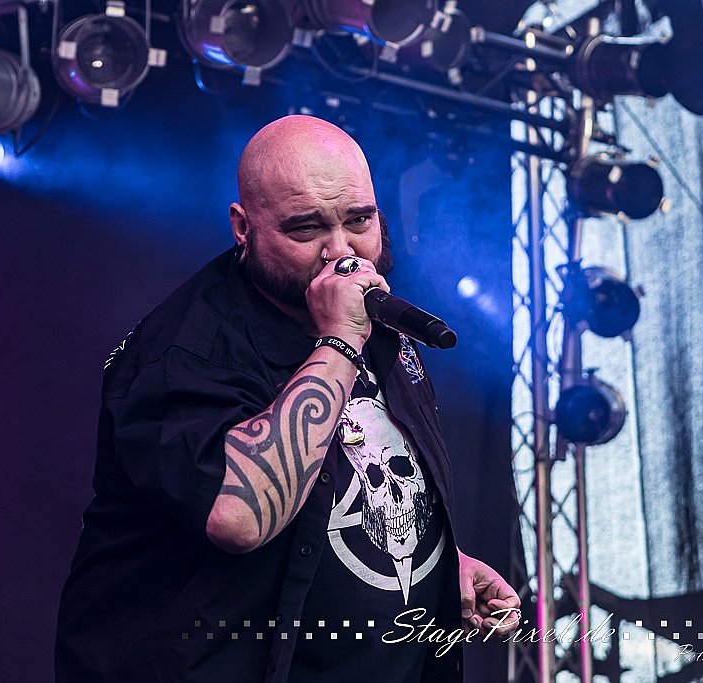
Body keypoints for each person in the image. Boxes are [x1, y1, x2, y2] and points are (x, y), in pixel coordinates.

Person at [55, 115, 521, 682]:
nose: (342, 252)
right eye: (306, 229)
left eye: (360, 220)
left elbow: (351, 482)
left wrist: (440, 564)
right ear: (243, 227)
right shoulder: (184, 354)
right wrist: (339, 341)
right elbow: (240, 517)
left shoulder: (375, 323)